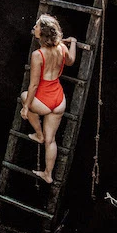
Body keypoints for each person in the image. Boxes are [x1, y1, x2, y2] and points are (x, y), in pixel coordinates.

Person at [20, 14, 77, 185]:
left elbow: (34, 85)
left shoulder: (38, 54)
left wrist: (26, 107)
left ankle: (38, 134)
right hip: (59, 100)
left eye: (37, 25)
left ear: (43, 32)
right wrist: (72, 42)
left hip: (44, 100)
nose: (34, 27)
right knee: (51, 140)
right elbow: (71, 62)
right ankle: (48, 174)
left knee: (25, 97)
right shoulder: (61, 48)